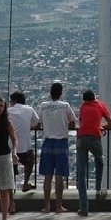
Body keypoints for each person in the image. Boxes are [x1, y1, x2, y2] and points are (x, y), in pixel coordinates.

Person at [38, 81, 76, 213]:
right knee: (59, 176)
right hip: (61, 142)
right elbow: (72, 121)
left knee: (47, 177)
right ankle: (59, 206)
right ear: (60, 93)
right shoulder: (65, 106)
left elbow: (40, 122)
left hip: (47, 142)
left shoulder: (43, 106)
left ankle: (47, 206)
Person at [76, 89, 111, 216]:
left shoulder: (82, 106)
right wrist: (100, 126)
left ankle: (84, 207)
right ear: (95, 98)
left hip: (81, 138)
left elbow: (82, 122)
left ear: (84, 99)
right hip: (94, 138)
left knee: (81, 173)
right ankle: (98, 189)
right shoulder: (100, 105)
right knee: (100, 161)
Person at [7, 91, 40, 215]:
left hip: (10, 147)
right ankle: (26, 183)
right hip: (25, 147)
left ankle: (11, 203)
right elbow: (36, 123)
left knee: (10, 177)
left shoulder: (8, 111)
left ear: (14, 101)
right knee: (30, 161)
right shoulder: (29, 109)